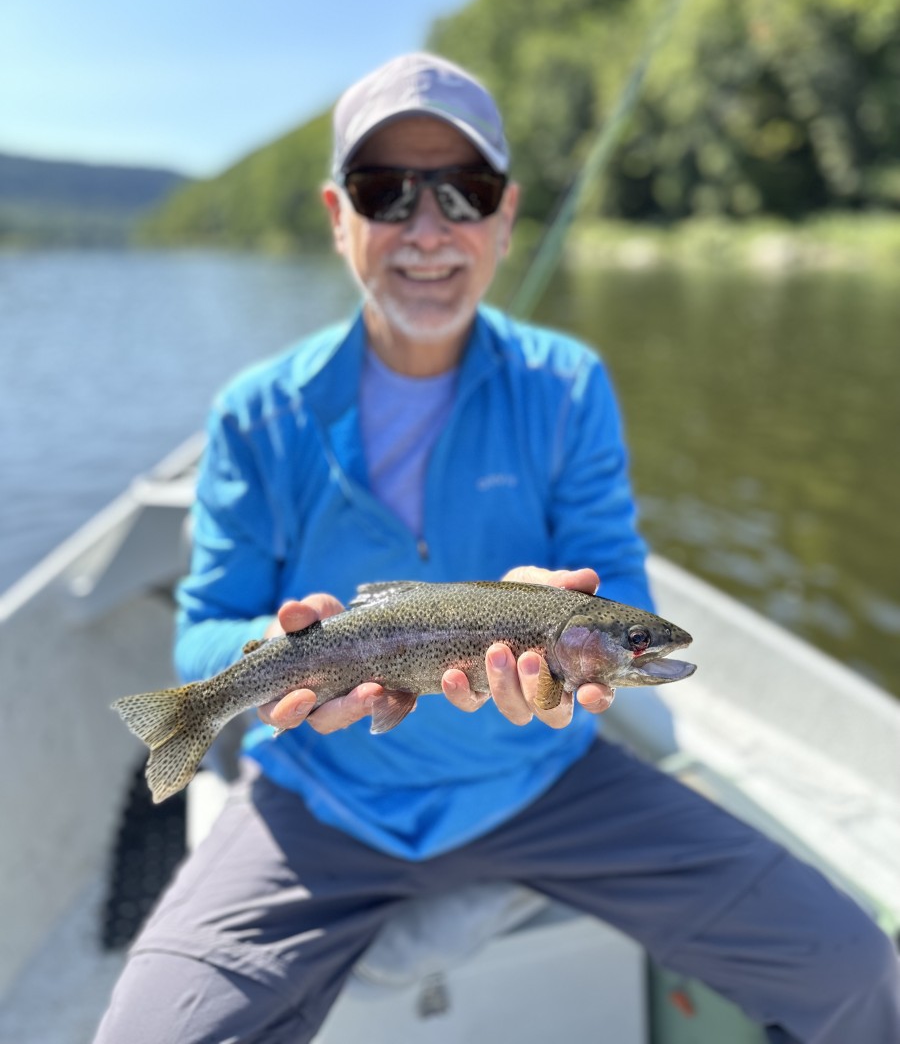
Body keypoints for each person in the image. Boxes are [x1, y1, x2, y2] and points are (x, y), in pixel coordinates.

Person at [94, 53, 900, 1044]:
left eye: (463, 193)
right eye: (386, 193)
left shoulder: (567, 385)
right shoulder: (257, 413)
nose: (427, 229)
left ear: (506, 217)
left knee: (853, 968)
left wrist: (568, 613)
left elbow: (623, 578)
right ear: (337, 217)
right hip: (325, 799)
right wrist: (285, 641)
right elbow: (199, 636)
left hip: (545, 780)